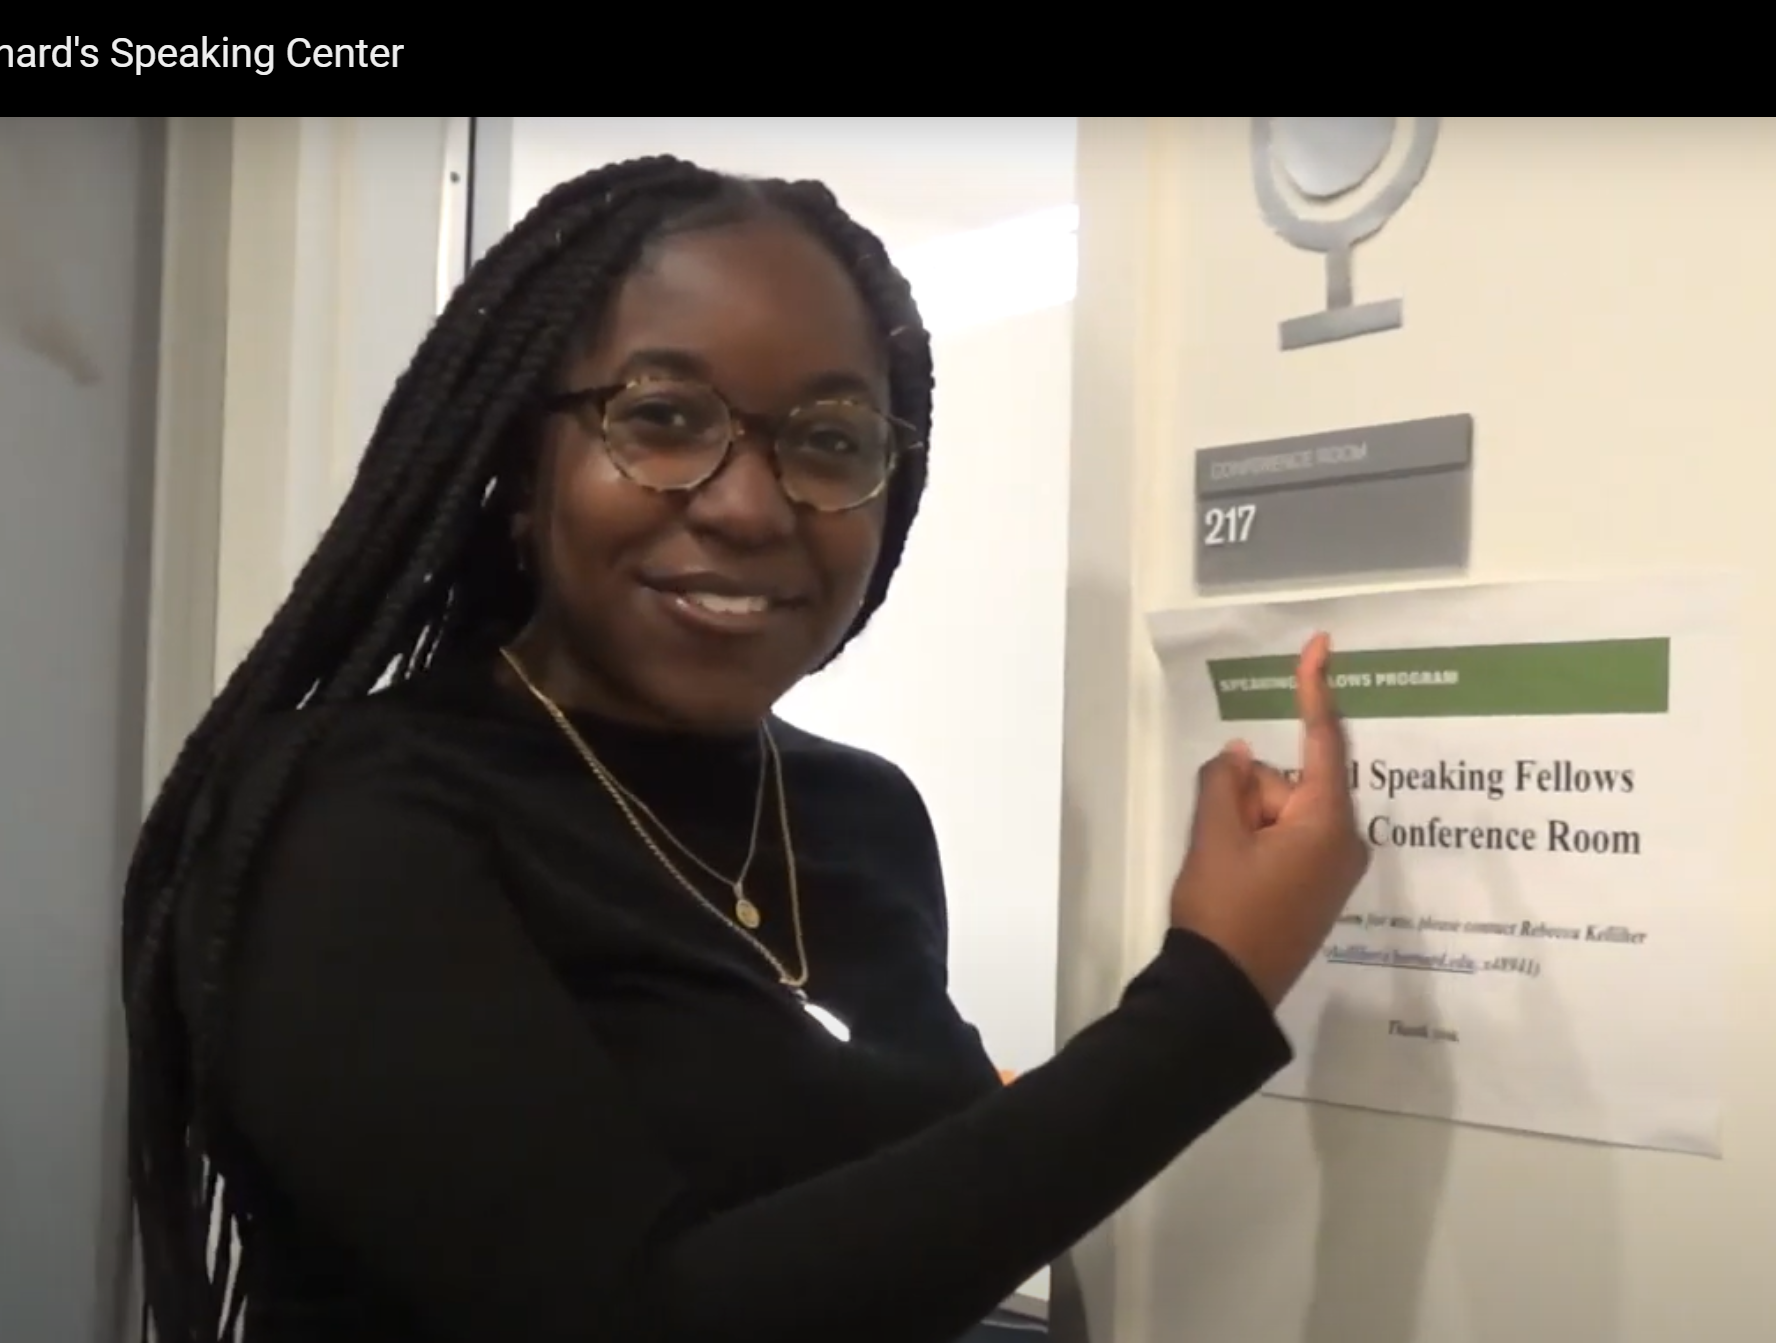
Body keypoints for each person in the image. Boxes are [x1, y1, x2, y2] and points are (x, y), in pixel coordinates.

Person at [119, 156, 1371, 1343]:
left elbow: (873, 1231)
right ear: (515, 466)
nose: (749, 502)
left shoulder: (861, 813)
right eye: (661, 419)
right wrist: (1209, 992)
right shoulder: (345, 818)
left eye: (829, 439)